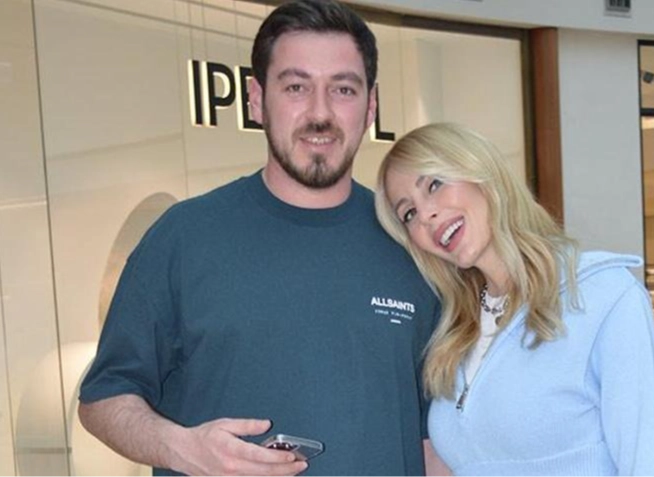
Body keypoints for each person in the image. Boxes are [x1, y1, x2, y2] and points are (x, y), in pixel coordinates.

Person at [78, 1, 441, 476]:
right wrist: (180, 447)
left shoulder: (412, 247)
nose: (320, 113)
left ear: (370, 105)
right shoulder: (183, 238)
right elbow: (102, 399)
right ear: (256, 99)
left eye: (343, 89)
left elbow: (434, 437)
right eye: (296, 87)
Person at [374, 122, 654, 477]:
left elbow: (648, 463)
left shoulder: (603, 295)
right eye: (408, 213)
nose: (426, 215)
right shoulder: (453, 333)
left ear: (480, 171)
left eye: (434, 184)